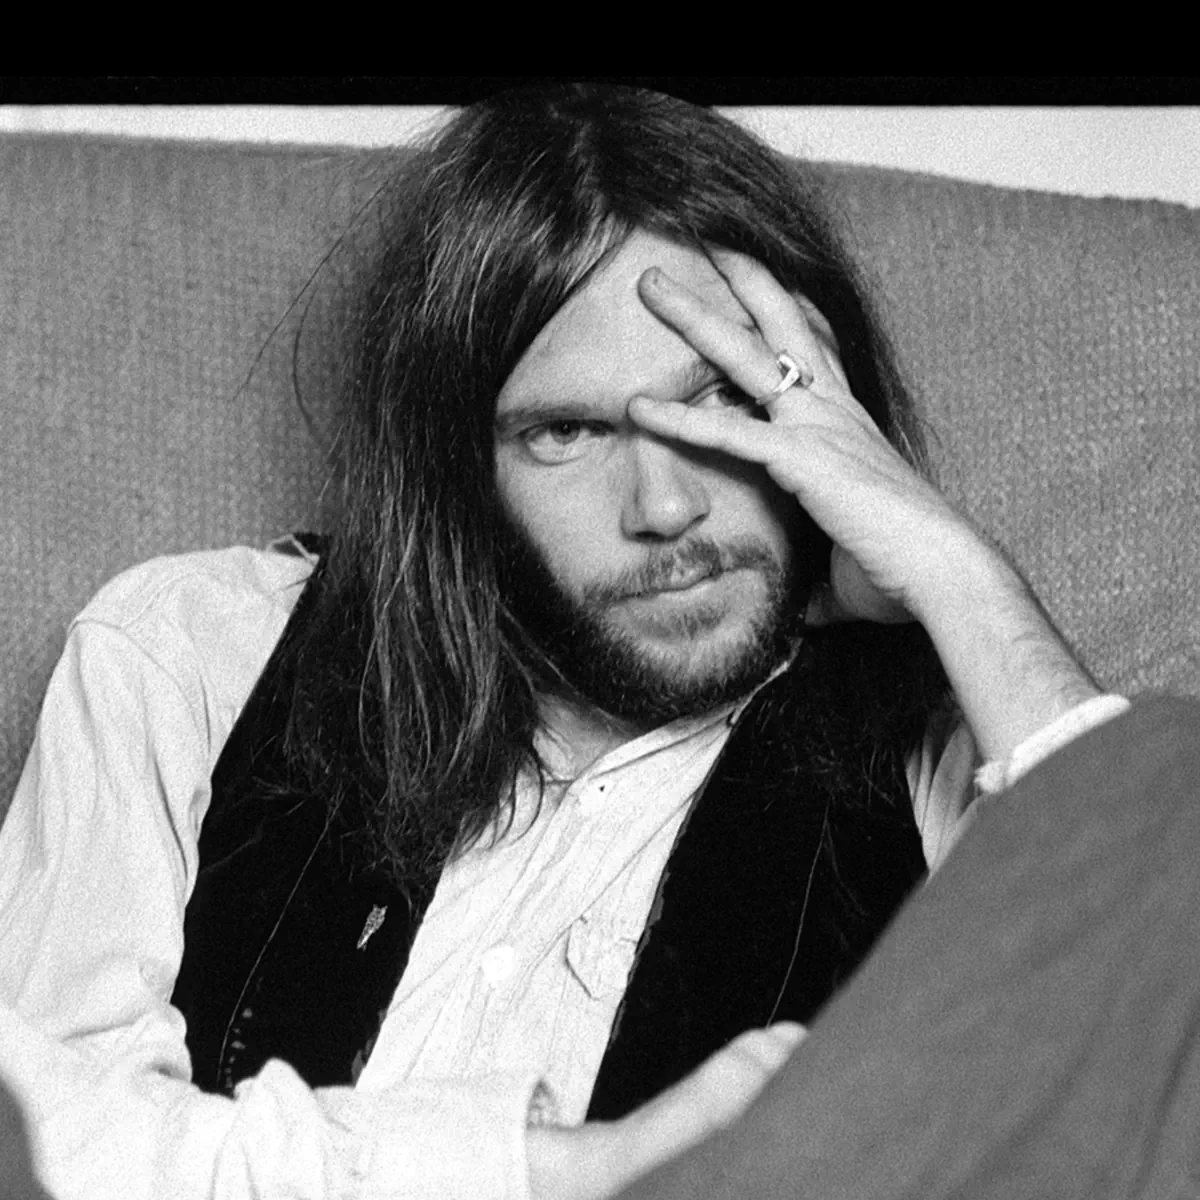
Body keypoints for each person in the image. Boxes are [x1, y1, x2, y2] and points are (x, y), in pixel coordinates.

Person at [0, 83, 1148, 1199]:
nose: (666, 505)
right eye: (567, 432)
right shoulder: (192, 651)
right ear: (462, 474)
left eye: (722, 401)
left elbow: (1159, 1048)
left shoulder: (949, 750)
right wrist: (569, 1172)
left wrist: (954, 572)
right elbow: (42, 1132)